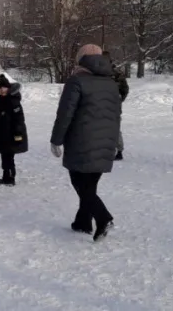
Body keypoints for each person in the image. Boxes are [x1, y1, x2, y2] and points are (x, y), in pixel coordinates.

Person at [50, 44, 121, 242]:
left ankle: (103, 217)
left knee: (80, 183)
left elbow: (65, 113)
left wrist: (56, 140)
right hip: (106, 140)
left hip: (81, 140)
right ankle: (83, 222)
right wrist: (114, 141)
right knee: (90, 184)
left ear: (81, 60)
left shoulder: (76, 81)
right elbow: (117, 115)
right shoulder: (111, 82)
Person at [103, 51, 129, 160]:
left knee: (113, 128)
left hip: (109, 104)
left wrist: (119, 100)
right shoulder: (116, 73)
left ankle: (118, 150)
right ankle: (116, 150)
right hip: (109, 104)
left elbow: (125, 89)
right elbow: (125, 90)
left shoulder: (115, 73)